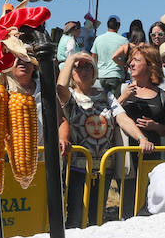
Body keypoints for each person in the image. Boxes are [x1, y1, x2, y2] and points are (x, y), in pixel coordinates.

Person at [55, 50, 152, 227]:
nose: (83, 71)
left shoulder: (106, 95)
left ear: (94, 72)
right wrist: (73, 58)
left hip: (104, 168)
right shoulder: (70, 96)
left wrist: (141, 138)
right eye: (78, 68)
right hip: (78, 168)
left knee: (97, 218)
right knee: (76, 217)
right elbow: (60, 87)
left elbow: (122, 118)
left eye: (87, 67)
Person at [119, 44, 165, 146]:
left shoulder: (162, 96)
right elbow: (109, 117)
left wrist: (155, 126)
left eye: (137, 60)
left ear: (150, 65)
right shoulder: (122, 90)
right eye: (131, 60)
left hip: (152, 156)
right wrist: (122, 98)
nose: (131, 64)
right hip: (125, 155)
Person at [91, 15, 127, 98]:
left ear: (107, 25)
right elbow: (126, 59)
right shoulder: (123, 40)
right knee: (115, 105)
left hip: (100, 76)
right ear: (119, 26)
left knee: (101, 104)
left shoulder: (98, 39)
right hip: (116, 75)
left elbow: (93, 59)